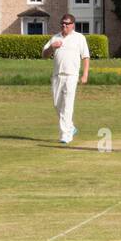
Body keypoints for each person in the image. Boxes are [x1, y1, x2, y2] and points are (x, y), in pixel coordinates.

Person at [41, 13, 91, 144]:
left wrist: (85, 74)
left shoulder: (79, 38)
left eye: (67, 24)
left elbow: (85, 57)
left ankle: (66, 134)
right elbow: (44, 55)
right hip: (57, 76)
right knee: (57, 105)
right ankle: (71, 127)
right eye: (62, 23)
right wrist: (52, 47)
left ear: (72, 25)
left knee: (67, 106)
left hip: (71, 76)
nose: (64, 26)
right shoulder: (55, 38)